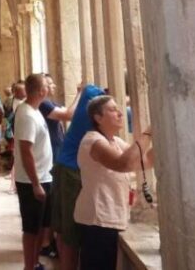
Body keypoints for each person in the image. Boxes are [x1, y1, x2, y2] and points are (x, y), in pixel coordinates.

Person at [74, 95, 153, 270]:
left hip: (110, 217)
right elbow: (123, 164)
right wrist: (149, 132)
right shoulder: (93, 141)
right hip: (97, 220)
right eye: (112, 110)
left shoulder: (115, 141)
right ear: (98, 118)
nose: (120, 113)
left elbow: (144, 161)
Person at [48, 83, 105, 270]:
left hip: (63, 167)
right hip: (71, 172)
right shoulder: (92, 117)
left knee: (64, 230)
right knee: (71, 233)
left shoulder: (84, 108)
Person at [38, 75, 83, 259]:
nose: (54, 85)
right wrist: (80, 94)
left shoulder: (49, 103)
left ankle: (49, 241)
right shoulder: (44, 104)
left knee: (54, 199)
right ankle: (46, 243)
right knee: (52, 200)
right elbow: (68, 115)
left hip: (56, 151)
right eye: (49, 83)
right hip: (53, 154)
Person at [12, 74, 53, 270]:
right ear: (41, 91)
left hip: (43, 176)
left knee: (41, 227)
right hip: (32, 181)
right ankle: (29, 266)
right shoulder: (27, 114)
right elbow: (25, 150)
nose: (50, 88)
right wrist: (36, 184)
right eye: (47, 85)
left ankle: (35, 263)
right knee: (31, 229)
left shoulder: (33, 110)